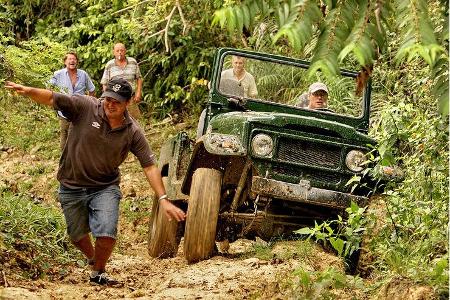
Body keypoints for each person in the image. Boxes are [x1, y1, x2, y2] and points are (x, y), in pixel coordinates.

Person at [5, 78, 186, 286]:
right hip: (71, 184)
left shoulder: (133, 131)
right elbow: (53, 98)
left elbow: (149, 166)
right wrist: (28, 90)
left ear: (128, 103)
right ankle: (93, 257)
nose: (110, 104)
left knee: (107, 233)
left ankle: (98, 272)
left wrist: (163, 198)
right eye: (108, 99)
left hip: (105, 187)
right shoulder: (85, 106)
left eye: (117, 101)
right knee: (76, 235)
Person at [49, 51, 96, 150]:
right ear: (65, 62)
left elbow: (92, 90)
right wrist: (55, 102)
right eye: (69, 59)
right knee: (65, 133)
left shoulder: (83, 74)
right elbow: (48, 88)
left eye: (74, 59)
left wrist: (89, 104)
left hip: (80, 110)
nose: (72, 61)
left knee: (80, 134)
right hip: (63, 109)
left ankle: (79, 158)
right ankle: (65, 160)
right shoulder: (58, 74)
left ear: (77, 62)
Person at [100, 43, 143, 120]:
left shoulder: (133, 62)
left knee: (136, 120)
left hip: (130, 98)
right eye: (117, 51)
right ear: (114, 52)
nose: (120, 52)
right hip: (115, 99)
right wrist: (108, 98)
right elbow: (105, 83)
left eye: (122, 50)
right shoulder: (110, 65)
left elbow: (139, 78)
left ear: (125, 51)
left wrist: (138, 92)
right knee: (116, 120)